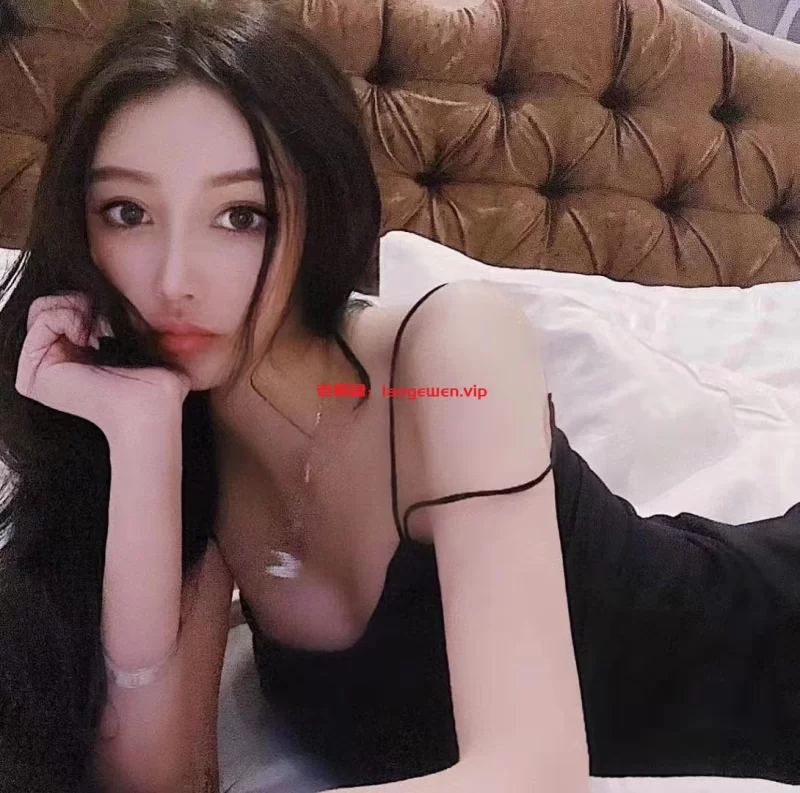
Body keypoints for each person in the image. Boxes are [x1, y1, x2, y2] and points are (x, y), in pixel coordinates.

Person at [0, 1, 798, 791]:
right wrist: (140, 443)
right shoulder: (196, 452)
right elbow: (164, 776)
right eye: (128, 213)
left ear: (321, 211)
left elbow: (534, 772)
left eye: (241, 216)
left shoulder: (452, 356)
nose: (174, 279)